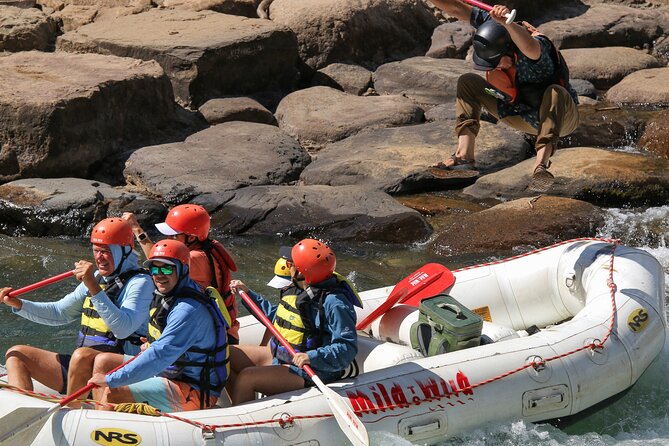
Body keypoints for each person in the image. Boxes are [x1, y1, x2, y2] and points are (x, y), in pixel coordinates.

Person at [429, 1, 579, 192]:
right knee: (468, 82)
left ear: (508, 49)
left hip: (561, 118)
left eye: (497, 62)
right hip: (518, 112)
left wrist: (508, 23)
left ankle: (540, 166)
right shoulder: (493, 26)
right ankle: (465, 157)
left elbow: (529, 46)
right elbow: (455, 8)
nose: (495, 68)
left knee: (555, 93)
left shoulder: (534, 50)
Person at [0, 218, 154, 401]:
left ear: (124, 251)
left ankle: (71, 410)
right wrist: (19, 304)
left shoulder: (142, 283)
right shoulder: (97, 277)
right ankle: (22, 414)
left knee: (82, 356)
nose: (99, 257)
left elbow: (123, 329)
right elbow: (60, 313)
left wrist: (92, 285)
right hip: (80, 370)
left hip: (116, 373)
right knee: (17, 354)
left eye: (106, 251)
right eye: (96, 251)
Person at [88, 239, 230, 412]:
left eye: (167, 268)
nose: (159, 275)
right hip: (170, 372)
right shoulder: (171, 294)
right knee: (103, 361)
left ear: (183, 269)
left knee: (113, 391)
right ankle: (101, 416)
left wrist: (111, 379)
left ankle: (101, 429)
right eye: (154, 268)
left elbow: (159, 355)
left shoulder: (188, 310)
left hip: (194, 389)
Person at [227, 239, 362, 405]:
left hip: (310, 368)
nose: (287, 265)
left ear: (301, 271)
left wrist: (311, 357)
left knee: (247, 378)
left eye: (290, 263)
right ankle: (243, 406)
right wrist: (248, 294)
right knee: (224, 354)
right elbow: (278, 317)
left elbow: (347, 349)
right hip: (284, 357)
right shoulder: (300, 288)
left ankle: (242, 418)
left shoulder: (335, 303)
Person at [122, 205, 239, 344]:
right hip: (219, 330)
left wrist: (137, 230)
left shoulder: (195, 258)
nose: (169, 238)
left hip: (218, 337)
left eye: (174, 235)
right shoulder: (207, 248)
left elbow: (158, 261)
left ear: (191, 238)